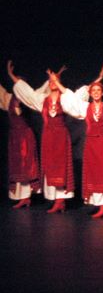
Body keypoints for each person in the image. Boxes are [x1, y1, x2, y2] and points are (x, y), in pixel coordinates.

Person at [55, 64, 103, 218]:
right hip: (91, 144)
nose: (96, 93)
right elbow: (70, 98)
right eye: (93, 90)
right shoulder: (85, 107)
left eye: (98, 90)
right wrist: (56, 83)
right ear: (90, 93)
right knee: (94, 173)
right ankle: (101, 205)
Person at [12, 64, 75, 212]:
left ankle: (61, 201)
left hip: (60, 136)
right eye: (50, 81)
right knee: (50, 166)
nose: (53, 83)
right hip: (48, 136)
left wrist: (57, 77)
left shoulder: (65, 98)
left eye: (56, 81)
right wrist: (11, 75)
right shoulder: (42, 100)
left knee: (61, 166)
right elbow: (26, 93)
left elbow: (75, 102)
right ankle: (55, 199)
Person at [2, 61, 40, 207]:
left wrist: (10, 74)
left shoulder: (26, 100)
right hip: (14, 137)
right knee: (17, 165)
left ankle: (26, 197)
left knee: (25, 165)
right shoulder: (9, 99)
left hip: (24, 136)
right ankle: (21, 197)